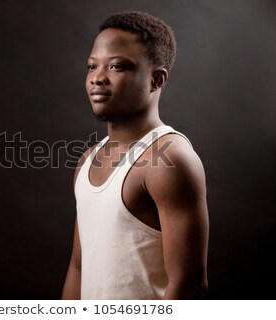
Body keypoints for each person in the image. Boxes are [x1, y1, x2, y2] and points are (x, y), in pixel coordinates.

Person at [61, 11, 209, 300]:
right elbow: (78, 268)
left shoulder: (170, 159)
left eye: (116, 66)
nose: (97, 78)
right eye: (92, 66)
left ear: (156, 80)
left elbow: (189, 285)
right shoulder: (88, 160)